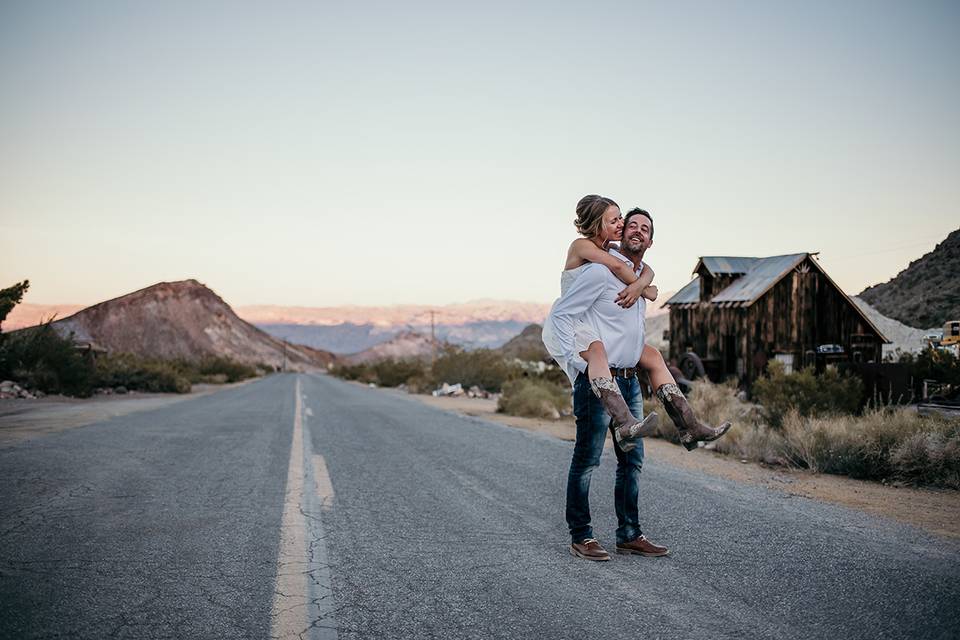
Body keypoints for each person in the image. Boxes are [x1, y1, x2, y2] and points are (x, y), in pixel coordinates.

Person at [545, 205, 730, 561]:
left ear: (651, 240)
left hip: (630, 381)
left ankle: (629, 533)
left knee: (632, 462)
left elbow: (644, 277)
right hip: (598, 382)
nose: (636, 231)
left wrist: (642, 282)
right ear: (617, 235)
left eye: (645, 228)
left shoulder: (638, 271)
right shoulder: (599, 270)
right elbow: (564, 313)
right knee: (587, 461)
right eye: (630, 225)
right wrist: (574, 358)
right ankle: (581, 536)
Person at [543, 195, 730, 453]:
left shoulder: (614, 255)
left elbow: (643, 269)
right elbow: (618, 266)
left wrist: (642, 282)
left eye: (622, 218)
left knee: (653, 355)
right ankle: (623, 423)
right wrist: (645, 289)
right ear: (599, 224)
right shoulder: (589, 249)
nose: (621, 224)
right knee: (596, 351)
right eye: (617, 220)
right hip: (575, 323)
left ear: (651, 240)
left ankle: (689, 426)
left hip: (599, 331)